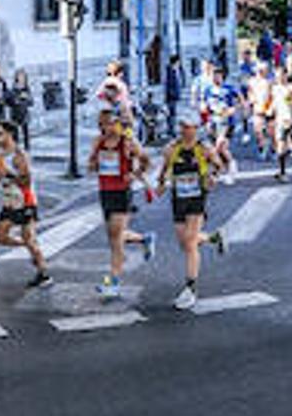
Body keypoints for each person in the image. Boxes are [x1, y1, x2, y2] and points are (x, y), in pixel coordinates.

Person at [154, 116, 230, 310]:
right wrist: (161, 184)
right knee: (185, 242)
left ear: (196, 128)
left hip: (197, 199)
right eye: (183, 127)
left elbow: (219, 165)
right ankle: (214, 238)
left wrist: (213, 176)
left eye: (190, 127)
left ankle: (190, 288)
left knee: (189, 242)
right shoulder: (171, 149)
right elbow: (164, 169)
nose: (187, 130)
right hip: (178, 199)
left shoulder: (204, 149)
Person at [91, 109, 156, 298]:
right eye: (102, 123)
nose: (106, 127)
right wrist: (94, 164)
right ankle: (144, 239)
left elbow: (147, 161)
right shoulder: (98, 142)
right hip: (105, 192)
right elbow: (92, 164)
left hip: (121, 192)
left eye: (109, 123)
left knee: (115, 240)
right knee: (114, 234)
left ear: (116, 122)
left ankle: (113, 282)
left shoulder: (127, 142)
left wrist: (134, 175)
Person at [0, 121, 50, 289]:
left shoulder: (18, 155)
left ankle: (43, 274)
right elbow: (7, 177)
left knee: (29, 238)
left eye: (0, 134)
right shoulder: (1, 155)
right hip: (9, 201)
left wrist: (7, 176)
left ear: (10, 134)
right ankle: (30, 249)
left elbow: (26, 180)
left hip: (24, 202)